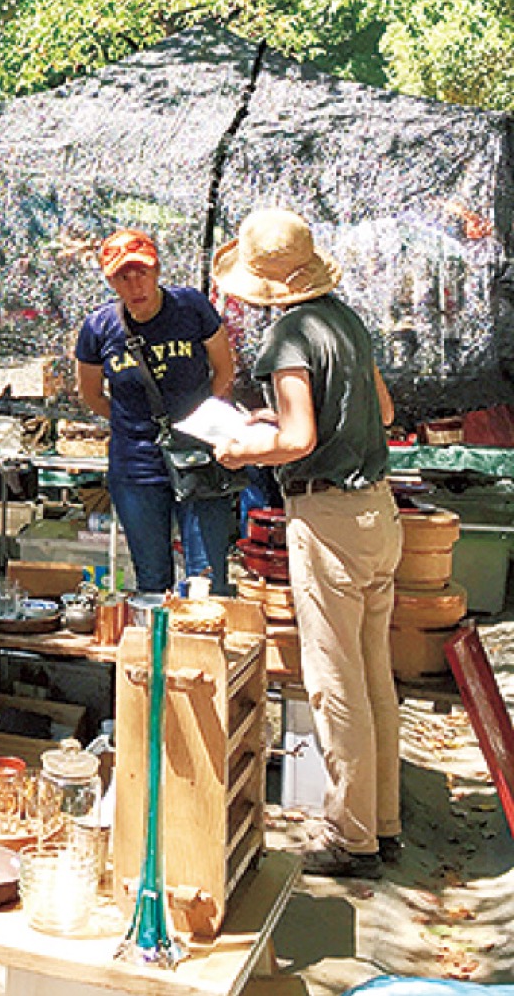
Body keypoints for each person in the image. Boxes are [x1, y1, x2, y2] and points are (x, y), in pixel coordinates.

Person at [213, 207, 401, 880]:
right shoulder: (345, 320)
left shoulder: (292, 334)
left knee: (334, 683)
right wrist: (277, 420)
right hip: (379, 513)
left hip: (329, 518)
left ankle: (351, 838)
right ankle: (383, 821)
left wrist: (241, 445)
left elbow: (295, 440)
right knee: (375, 673)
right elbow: (377, 412)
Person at [75, 228, 236, 593]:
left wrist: (200, 419)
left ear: (157, 270)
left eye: (142, 272)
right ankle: (158, 645)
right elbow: (91, 394)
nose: (135, 285)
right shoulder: (99, 327)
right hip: (136, 464)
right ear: (110, 280)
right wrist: (132, 424)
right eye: (123, 276)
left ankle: (203, 645)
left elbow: (224, 368)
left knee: (208, 575)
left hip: (197, 454)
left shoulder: (190, 307)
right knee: (151, 578)